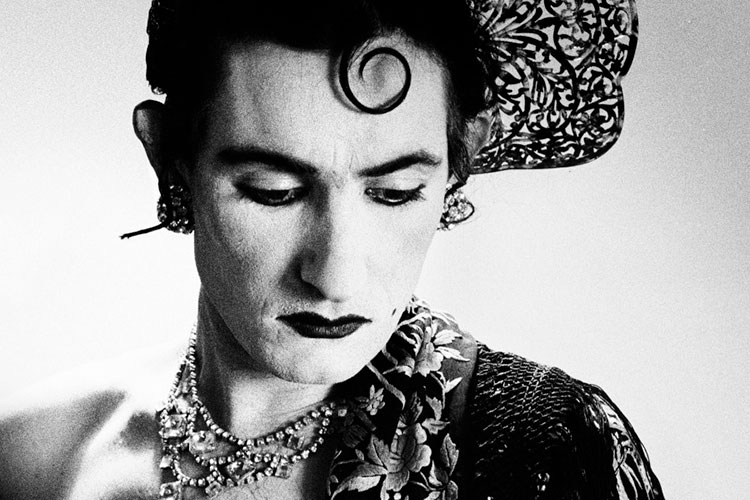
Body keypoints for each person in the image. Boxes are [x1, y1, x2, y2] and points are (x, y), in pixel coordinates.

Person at [0, 1, 664, 499]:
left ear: (454, 171)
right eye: (274, 192)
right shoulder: (36, 454)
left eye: (397, 192)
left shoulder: (542, 450)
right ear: (170, 160)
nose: (336, 275)